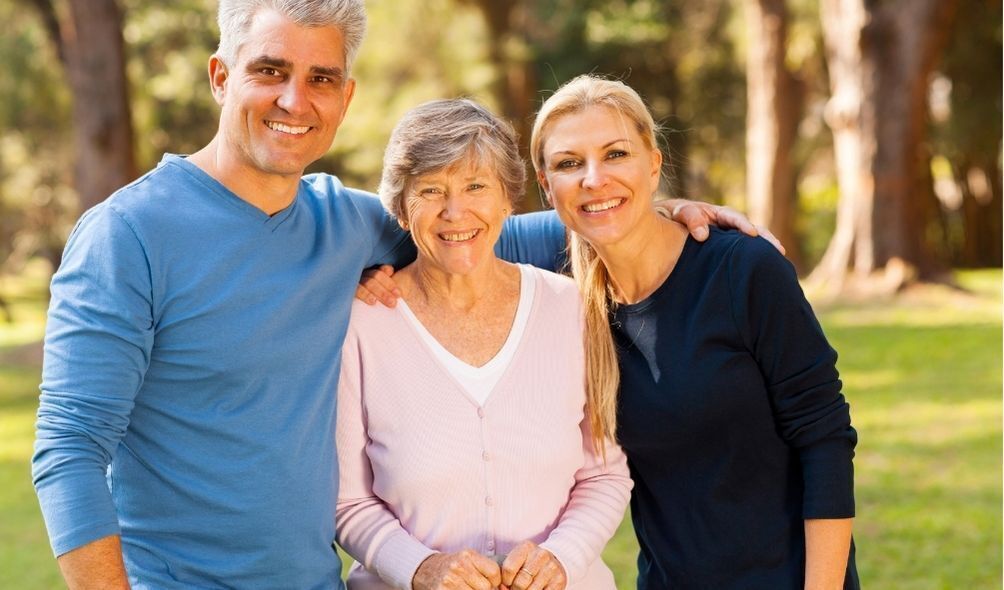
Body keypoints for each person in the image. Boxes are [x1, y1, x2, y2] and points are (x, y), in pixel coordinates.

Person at [30, 1, 752, 587]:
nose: (294, 99)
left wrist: (652, 216)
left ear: (345, 96)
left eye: (320, 78)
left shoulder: (345, 223)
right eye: (270, 71)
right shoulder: (128, 236)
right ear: (220, 76)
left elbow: (475, 231)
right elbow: (67, 451)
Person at [529, 75, 858, 589]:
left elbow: (825, 440)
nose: (593, 178)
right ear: (547, 186)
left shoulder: (743, 270)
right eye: (569, 163)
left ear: (654, 163)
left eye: (616, 154)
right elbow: (443, 225)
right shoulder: (563, 285)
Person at [335, 99, 632, 590]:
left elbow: (604, 475)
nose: (456, 212)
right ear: (401, 209)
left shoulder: (572, 308)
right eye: (431, 190)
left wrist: (562, 558)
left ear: (507, 200)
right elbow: (348, 501)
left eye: (476, 186)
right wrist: (420, 568)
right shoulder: (361, 324)